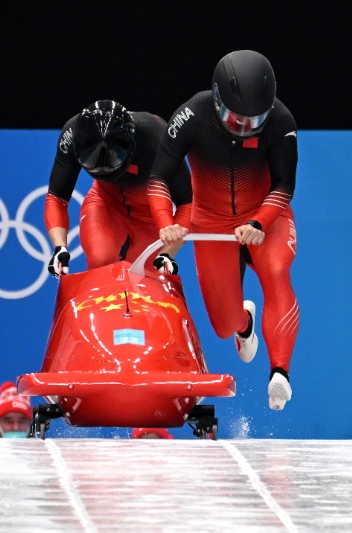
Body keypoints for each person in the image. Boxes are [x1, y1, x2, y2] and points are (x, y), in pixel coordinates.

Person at [148, 50, 299, 411]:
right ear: (217, 102)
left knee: (277, 271)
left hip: (265, 213)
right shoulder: (190, 115)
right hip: (210, 219)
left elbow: (283, 187)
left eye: (255, 120)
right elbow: (157, 179)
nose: (246, 127)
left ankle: (280, 373)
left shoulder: (281, 121)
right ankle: (243, 323)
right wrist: (165, 224)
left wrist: (260, 221)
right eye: (236, 118)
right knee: (222, 325)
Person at [45, 100, 192, 277]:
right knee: (101, 261)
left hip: (150, 216)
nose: (104, 171)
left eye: (111, 162)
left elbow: (188, 203)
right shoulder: (71, 135)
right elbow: (57, 197)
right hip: (105, 204)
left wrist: (167, 252)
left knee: (146, 277)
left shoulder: (157, 137)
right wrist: (59, 248)